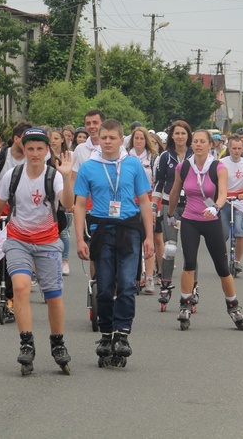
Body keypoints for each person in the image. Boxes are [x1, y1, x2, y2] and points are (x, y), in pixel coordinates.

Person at [0, 128, 75, 374]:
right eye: (30, 148)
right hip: (18, 240)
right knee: (20, 288)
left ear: (46, 151)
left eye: (39, 149)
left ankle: (57, 343)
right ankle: (26, 343)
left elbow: (68, 204)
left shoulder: (55, 176)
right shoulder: (14, 175)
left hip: (48, 242)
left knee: (53, 295)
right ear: (24, 149)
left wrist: (68, 176)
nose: (34, 153)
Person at [74, 119, 154, 363]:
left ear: (122, 141)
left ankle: (122, 334)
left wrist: (149, 236)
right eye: (104, 137)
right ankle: (106, 334)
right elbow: (78, 205)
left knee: (128, 283)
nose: (107, 142)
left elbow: (144, 201)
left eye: (112, 138)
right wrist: (80, 239)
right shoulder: (89, 167)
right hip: (101, 229)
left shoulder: (132, 165)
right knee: (105, 286)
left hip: (129, 229)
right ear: (99, 139)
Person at [166, 130, 243, 331]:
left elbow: (222, 193)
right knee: (189, 263)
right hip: (190, 220)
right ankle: (185, 304)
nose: (198, 145)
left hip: (211, 220)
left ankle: (233, 306)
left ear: (211, 145)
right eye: (196, 142)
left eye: (202, 141)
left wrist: (216, 207)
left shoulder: (218, 167)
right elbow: (176, 191)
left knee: (222, 267)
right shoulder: (183, 167)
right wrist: (169, 213)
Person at [0, 122, 33, 309]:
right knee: (0, 255)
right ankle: (7, 288)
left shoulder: (33, 157)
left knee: (19, 254)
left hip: (25, 213)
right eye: (25, 138)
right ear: (16, 138)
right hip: (1, 212)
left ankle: (11, 294)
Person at [151, 120, 194, 308]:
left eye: (183, 133)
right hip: (170, 205)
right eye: (176, 134)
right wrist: (154, 206)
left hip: (192, 205)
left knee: (190, 251)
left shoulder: (197, 156)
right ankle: (166, 285)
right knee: (170, 248)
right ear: (171, 137)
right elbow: (159, 183)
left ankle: (193, 288)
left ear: (188, 136)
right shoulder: (164, 157)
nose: (180, 137)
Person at [219, 135, 243, 275]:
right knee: (223, 234)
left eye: (239, 148)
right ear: (229, 148)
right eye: (233, 148)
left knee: (240, 233)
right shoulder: (221, 163)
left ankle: (237, 261)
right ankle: (222, 260)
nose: (236, 151)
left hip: (240, 201)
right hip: (225, 199)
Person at [126, 126, 157, 293]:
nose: (138, 141)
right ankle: (133, 277)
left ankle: (150, 276)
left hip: (146, 200)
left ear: (146, 141)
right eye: (136, 138)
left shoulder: (153, 158)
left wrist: (153, 206)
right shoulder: (124, 157)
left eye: (141, 138)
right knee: (131, 240)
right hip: (129, 202)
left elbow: (158, 182)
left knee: (148, 238)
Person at [49, 128, 73, 275]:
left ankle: (65, 261)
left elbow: (71, 178)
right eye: (51, 138)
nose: (53, 141)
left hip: (62, 195)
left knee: (62, 230)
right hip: (48, 197)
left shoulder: (67, 157)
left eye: (56, 138)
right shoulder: (45, 157)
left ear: (62, 140)